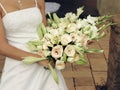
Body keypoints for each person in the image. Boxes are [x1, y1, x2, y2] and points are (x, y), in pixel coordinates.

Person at [0, 0, 67, 90]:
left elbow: (45, 33)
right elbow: (2, 46)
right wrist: (36, 59)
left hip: (44, 60)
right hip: (18, 62)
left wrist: (72, 40)